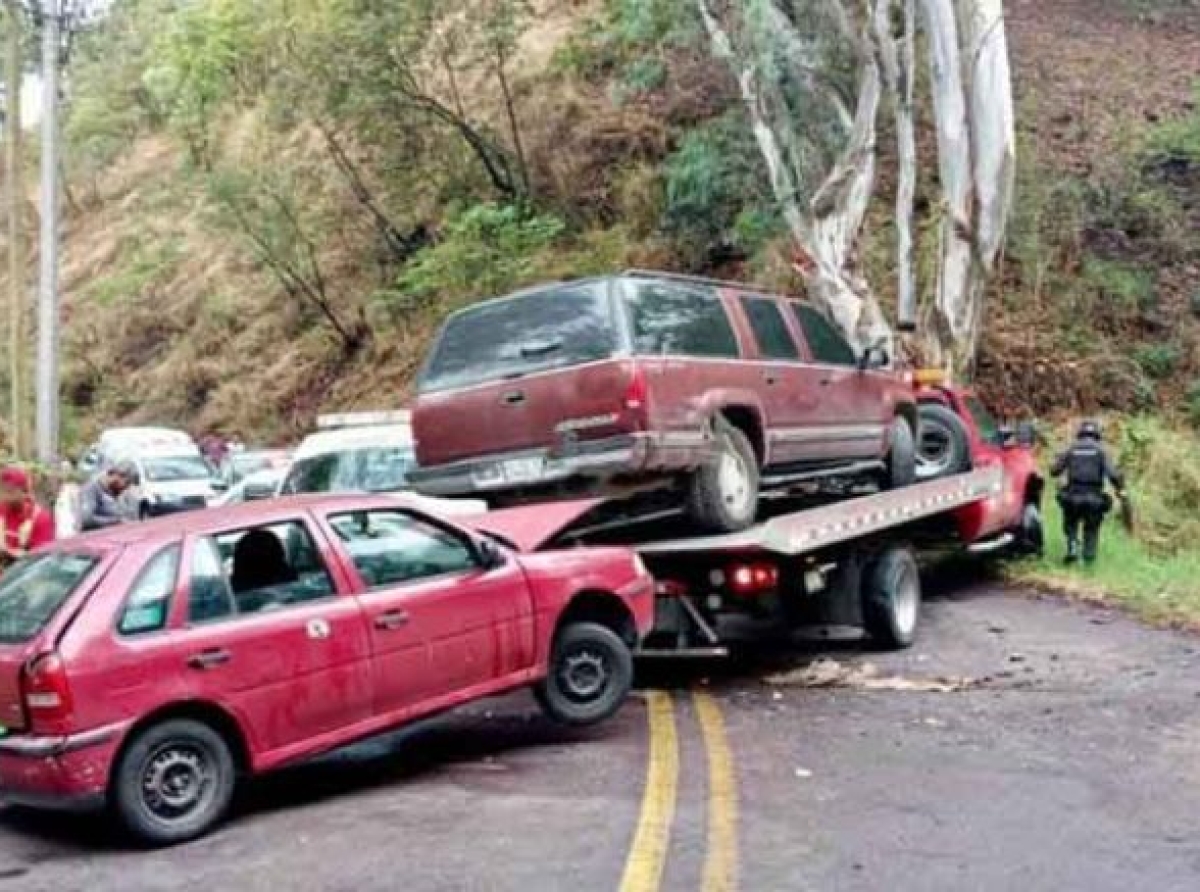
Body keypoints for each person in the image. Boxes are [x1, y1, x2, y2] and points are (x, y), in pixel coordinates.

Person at [1051, 420, 1125, 564]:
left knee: (1070, 522)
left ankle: (1072, 545)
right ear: (1097, 434)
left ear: (1080, 433)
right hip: (1094, 498)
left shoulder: (1070, 449)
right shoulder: (1101, 450)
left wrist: (1058, 460)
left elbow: (1054, 471)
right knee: (1091, 529)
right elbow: (1113, 475)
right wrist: (1120, 489)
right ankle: (1088, 560)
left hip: (1072, 496)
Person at [0, 466, 56, 570]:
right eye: (2, 490)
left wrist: (9, 552)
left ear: (24, 491)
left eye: (10, 491)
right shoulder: (2, 510)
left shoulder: (41, 518)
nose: (5, 496)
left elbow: (43, 560)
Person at [79, 461, 139, 532]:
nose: (125, 488)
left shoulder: (117, 493)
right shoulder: (92, 489)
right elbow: (86, 520)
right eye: (126, 483)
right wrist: (117, 522)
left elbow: (131, 517)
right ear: (117, 475)